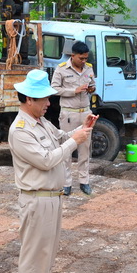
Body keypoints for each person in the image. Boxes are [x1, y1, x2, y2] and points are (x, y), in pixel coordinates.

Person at [9, 70, 95, 273]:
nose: (49, 103)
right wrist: (74, 141)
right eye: (44, 99)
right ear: (28, 100)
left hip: (51, 196)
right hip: (36, 198)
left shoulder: (41, 122)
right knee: (34, 252)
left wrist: (83, 128)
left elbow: (61, 138)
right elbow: (46, 160)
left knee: (47, 250)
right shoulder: (20, 130)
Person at [51, 41, 96, 196]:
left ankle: (84, 181)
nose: (83, 61)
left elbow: (93, 84)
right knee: (67, 148)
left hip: (85, 113)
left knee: (85, 149)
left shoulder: (89, 68)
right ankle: (66, 183)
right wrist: (74, 90)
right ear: (73, 55)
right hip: (68, 114)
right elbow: (54, 89)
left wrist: (91, 88)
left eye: (85, 58)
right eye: (81, 58)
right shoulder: (62, 69)